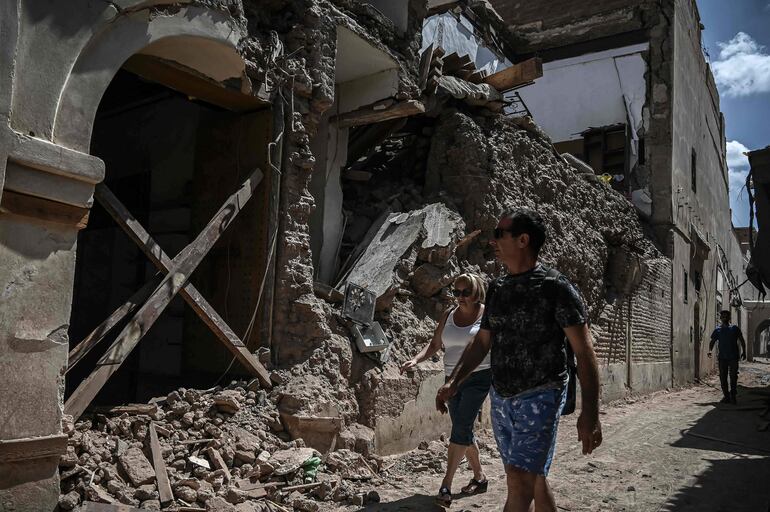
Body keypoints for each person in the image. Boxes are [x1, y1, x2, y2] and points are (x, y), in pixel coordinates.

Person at [436, 209, 603, 512]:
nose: (493, 240)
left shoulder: (555, 287)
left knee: (518, 480)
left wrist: (590, 412)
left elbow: (584, 351)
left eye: (500, 234)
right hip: (502, 398)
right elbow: (482, 341)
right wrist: (453, 381)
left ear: (523, 240)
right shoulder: (499, 288)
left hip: (542, 394)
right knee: (534, 479)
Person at [400, 273, 492, 507]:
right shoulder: (449, 315)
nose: (460, 297)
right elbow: (434, 344)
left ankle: (446, 484)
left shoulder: (487, 315)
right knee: (463, 428)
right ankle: (480, 477)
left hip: (478, 377)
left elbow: (484, 345)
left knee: (460, 427)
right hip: (450, 379)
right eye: (456, 292)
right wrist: (416, 359)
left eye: (465, 292)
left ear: (476, 292)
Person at [708, 310, 747, 404]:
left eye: (726, 316)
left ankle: (733, 396)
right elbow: (712, 341)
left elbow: (741, 340)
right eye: (723, 317)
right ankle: (726, 396)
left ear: (729, 318)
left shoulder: (734, 329)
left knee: (733, 377)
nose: (724, 318)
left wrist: (744, 352)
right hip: (722, 358)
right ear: (720, 318)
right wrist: (709, 351)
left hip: (733, 357)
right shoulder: (717, 330)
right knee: (723, 378)